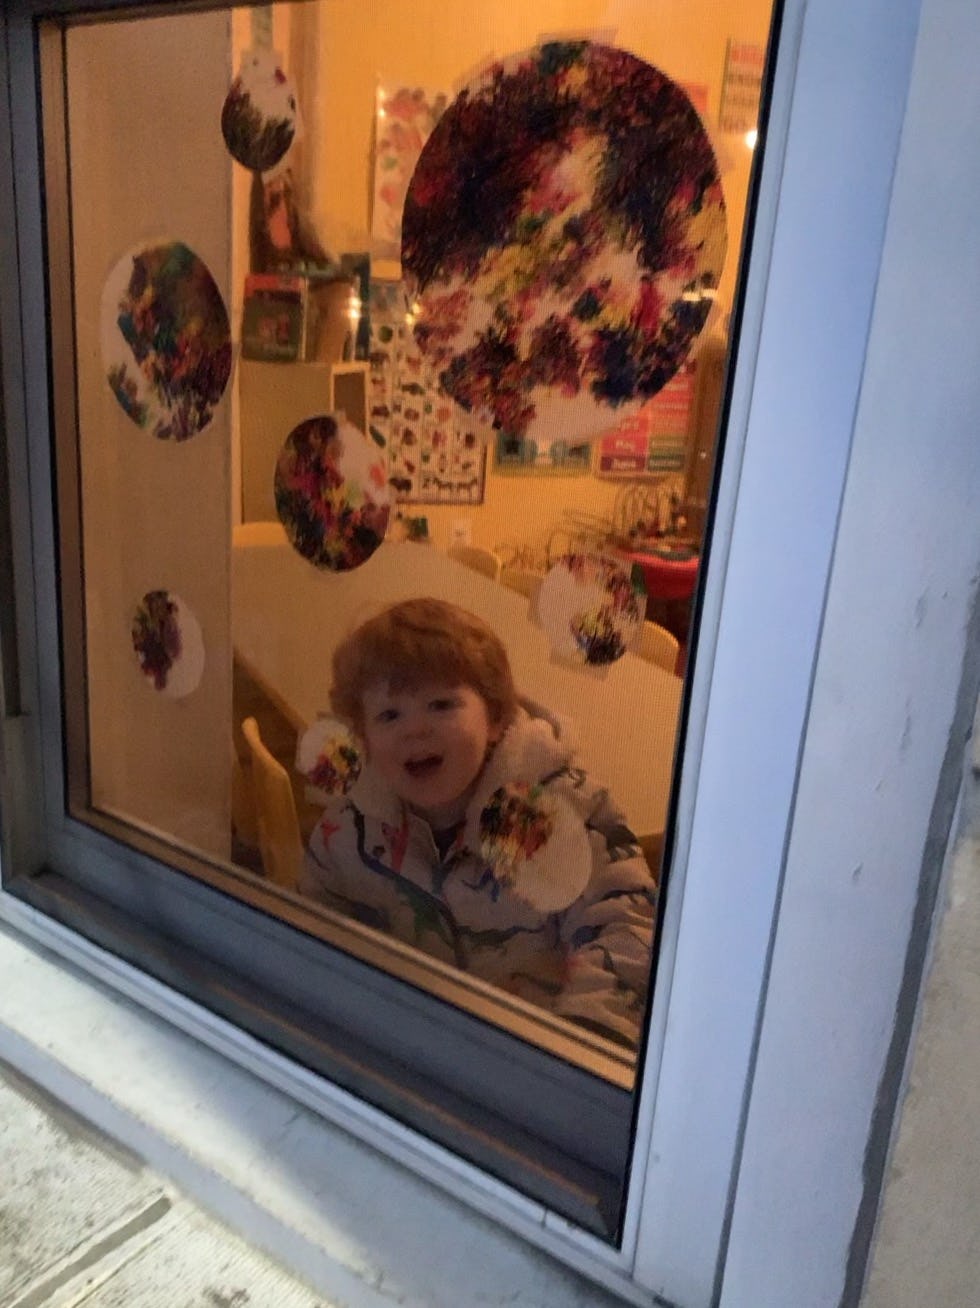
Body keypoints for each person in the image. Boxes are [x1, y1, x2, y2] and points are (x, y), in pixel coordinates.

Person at [299, 597, 657, 1047]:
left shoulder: (565, 811)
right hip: (409, 1040)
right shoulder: (352, 827)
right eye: (390, 715)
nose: (415, 729)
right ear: (364, 737)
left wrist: (580, 1040)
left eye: (441, 705)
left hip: (539, 1045)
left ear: (495, 719)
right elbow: (319, 915)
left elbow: (625, 925)